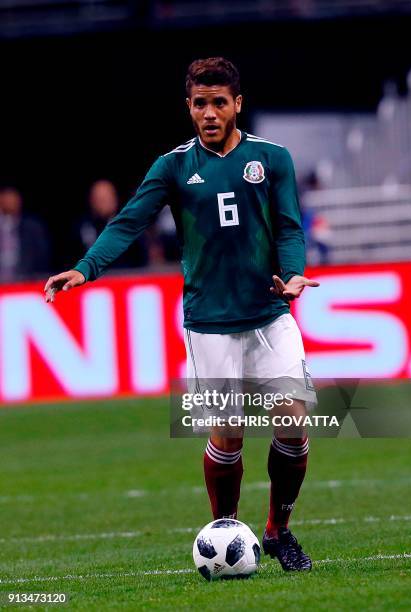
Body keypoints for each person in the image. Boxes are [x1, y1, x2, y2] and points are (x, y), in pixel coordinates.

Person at [44, 57, 319, 572]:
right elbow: (127, 223)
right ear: (188, 108)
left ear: (238, 103)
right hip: (209, 324)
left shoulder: (272, 159)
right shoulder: (173, 167)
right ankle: (228, 533)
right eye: (200, 104)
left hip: (270, 315)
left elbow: (289, 227)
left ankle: (278, 531)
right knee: (229, 434)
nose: (210, 113)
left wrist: (295, 273)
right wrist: (85, 269)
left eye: (219, 102)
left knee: (293, 422)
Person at [0, 186, 50, 282]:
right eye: (6, 197)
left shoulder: (32, 227)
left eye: (13, 197)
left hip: (25, 282)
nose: (9, 201)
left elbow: (41, 259)